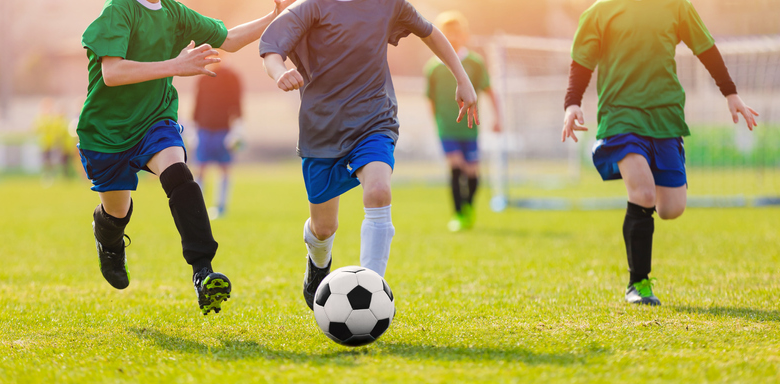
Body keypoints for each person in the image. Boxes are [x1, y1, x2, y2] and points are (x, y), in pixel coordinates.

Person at [78, 0, 295, 315]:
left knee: (178, 174)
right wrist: (175, 66)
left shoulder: (174, 12)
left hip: (155, 120)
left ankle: (203, 271)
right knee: (116, 212)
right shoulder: (120, 9)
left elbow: (229, 39)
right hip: (106, 133)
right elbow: (112, 72)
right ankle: (108, 237)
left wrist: (275, 16)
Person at [260, 0, 479, 310]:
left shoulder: (389, 4)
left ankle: (371, 292)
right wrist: (279, 71)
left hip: (374, 120)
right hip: (321, 128)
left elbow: (430, 33)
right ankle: (318, 262)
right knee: (323, 227)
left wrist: (463, 78)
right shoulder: (310, 6)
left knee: (378, 191)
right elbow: (271, 47)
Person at [561, 0, 758, 306]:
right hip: (621, 115)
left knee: (671, 208)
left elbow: (705, 48)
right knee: (643, 193)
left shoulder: (676, 6)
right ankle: (638, 284)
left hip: (666, 116)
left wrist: (730, 93)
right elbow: (582, 62)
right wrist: (572, 103)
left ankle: (652, 187)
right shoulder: (599, 12)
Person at [424, 11, 502, 232]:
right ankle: (458, 214)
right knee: (456, 168)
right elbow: (430, 100)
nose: (452, 36)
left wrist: (497, 118)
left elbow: (489, 91)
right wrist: (436, 124)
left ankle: (468, 208)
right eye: (447, 32)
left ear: (465, 35)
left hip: (470, 129)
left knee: (473, 175)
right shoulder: (433, 68)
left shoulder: (475, 63)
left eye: (456, 32)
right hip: (447, 128)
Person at [192, 53, 243, 219]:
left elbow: (237, 104)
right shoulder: (203, 77)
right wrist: (194, 128)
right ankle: (197, 207)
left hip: (224, 130)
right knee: (200, 169)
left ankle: (221, 206)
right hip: (204, 129)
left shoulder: (232, 77)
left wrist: (237, 130)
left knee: (224, 169)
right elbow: (198, 104)